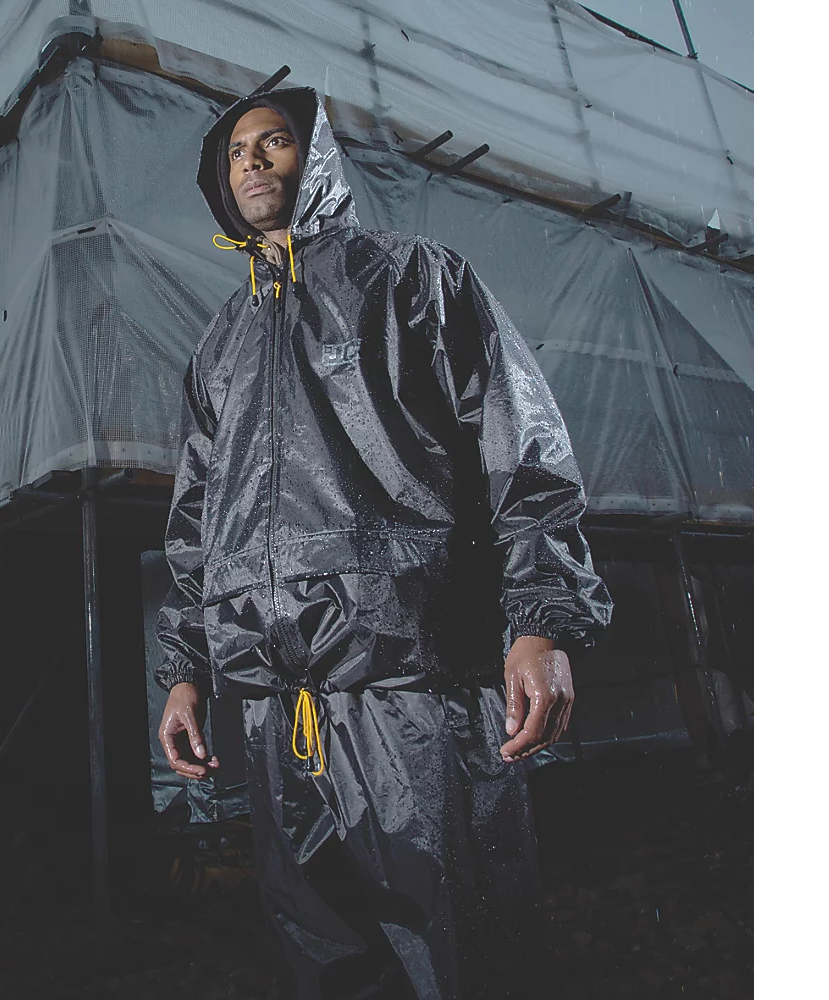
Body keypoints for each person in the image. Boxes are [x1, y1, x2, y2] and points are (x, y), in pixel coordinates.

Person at [156, 87, 612, 1000]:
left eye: (274, 142)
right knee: (326, 956)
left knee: (466, 954)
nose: (251, 161)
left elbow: (518, 447)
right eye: (235, 152)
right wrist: (185, 668)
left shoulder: (414, 278)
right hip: (276, 706)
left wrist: (541, 620)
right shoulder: (220, 346)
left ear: (316, 158)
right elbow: (197, 521)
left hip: (414, 689)